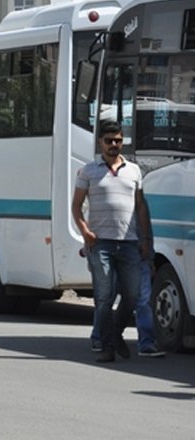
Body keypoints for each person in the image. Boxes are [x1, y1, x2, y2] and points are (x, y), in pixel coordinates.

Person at [72, 119, 152, 363]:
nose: (114, 145)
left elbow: (140, 207)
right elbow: (76, 206)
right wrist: (85, 231)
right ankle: (107, 347)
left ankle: (115, 334)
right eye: (109, 141)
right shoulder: (89, 171)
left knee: (132, 295)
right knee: (104, 298)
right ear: (100, 143)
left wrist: (145, 238)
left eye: (118, 140)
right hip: (101, 244)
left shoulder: (134, 170)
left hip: (129, 243)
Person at [88, 205, 165, 357]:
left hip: (136, 254)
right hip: (109, 252)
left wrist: (149, 256)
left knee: (141, 298)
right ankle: (99, 337)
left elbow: (146, 227)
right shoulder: (103, 194)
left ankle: (146, 342)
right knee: (106, 297)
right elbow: (93, 225)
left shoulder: (138, 197)